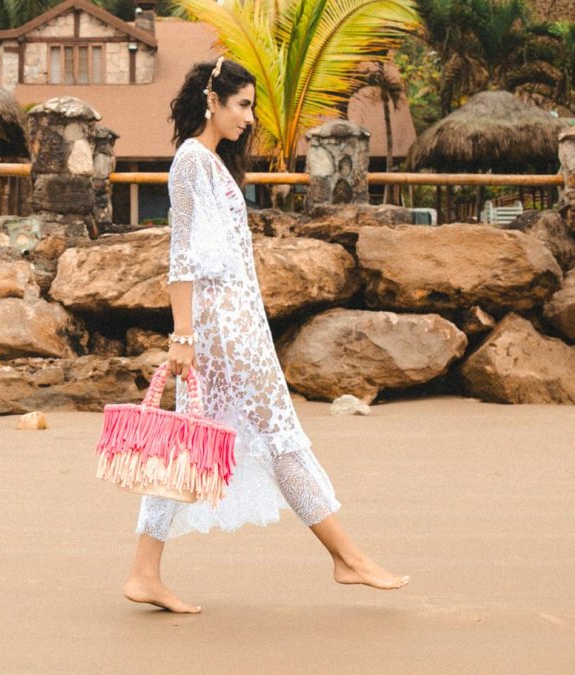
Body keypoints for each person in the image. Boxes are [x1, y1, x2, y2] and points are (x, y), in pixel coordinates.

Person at [122, 57, 410, 614]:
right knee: (279, 436)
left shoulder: (210, 163)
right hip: (219, 331)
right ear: (212, 101)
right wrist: (183, 335)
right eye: (243, 106)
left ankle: (143, 572)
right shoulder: (190, 162)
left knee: (189, 443)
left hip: (234, 325)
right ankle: (347, 558)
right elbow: (180, 257)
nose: (250, 118)